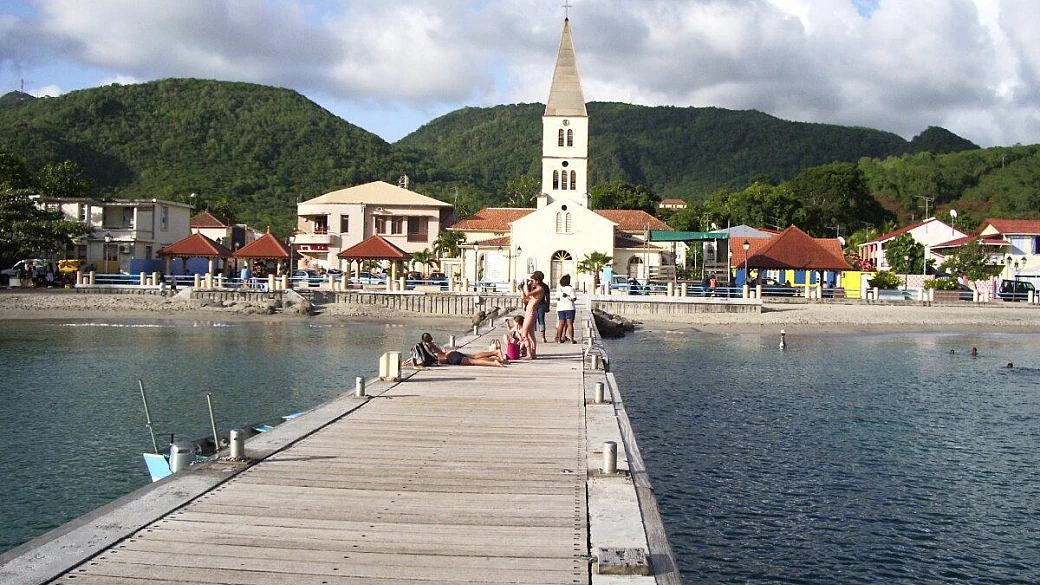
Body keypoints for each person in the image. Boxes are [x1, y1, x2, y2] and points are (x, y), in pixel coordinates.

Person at [421, 332, 505, 367]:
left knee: (473, 361)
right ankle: (495, 353)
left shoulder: (427, 346)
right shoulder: (434, 344)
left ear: (423, 340)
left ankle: (494, 363)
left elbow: (442, 358)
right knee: (474, 356)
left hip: (451, 358)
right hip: (452, 353)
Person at [519, 272, 546, 358]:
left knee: (524, 332)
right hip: (529, 312)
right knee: (530, 334)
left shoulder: (540, 289)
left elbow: (528, 294)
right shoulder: (537, 289)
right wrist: (521, 288)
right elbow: (525, 298)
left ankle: (529, 353)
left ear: (537, 281)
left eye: (533, 280)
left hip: (531, 312)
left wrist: (527, 284)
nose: (532, 282)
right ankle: (533, 353)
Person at [555, 274, 577, 343]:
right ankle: (572, 340)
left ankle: (559, 339)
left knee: (561, 323)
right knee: (570, 324)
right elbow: (573, 298)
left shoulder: (559, 288)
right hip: (569, 307)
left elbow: (557, 298)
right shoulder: (571, 289)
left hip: (561, 308)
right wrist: (569, 298)